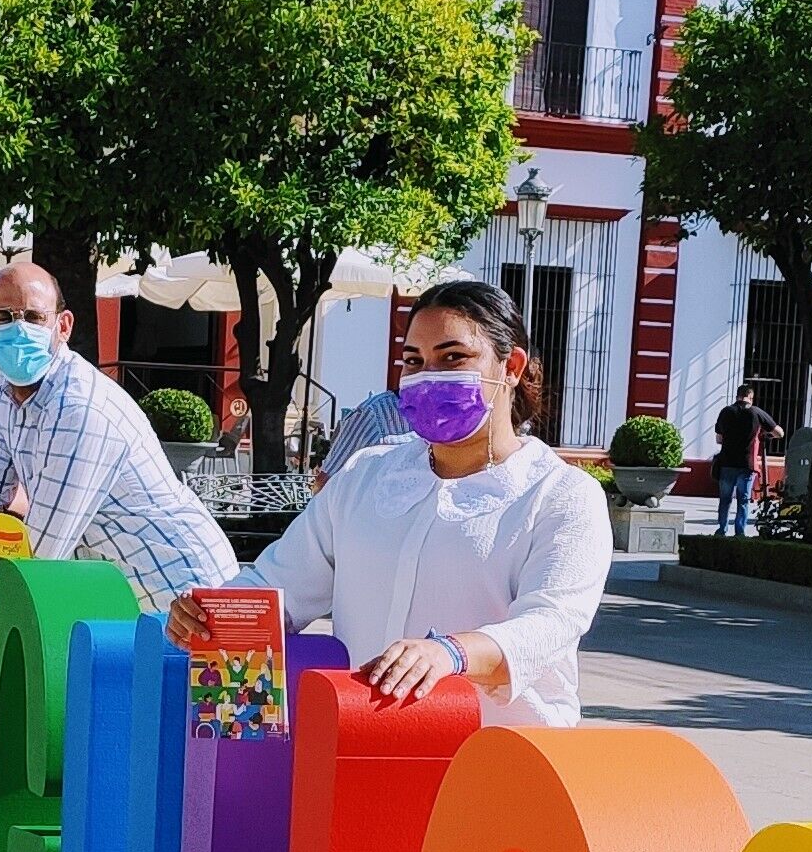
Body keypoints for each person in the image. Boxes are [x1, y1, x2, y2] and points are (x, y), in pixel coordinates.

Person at [170, 275, 611, 723]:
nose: (427, 377)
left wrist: (451, 654)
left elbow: (550, 624)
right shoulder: (365, 476)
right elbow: (282, 585)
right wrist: (211, 613)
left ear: (511, 367)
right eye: (413, 361)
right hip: (370, 747)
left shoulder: (562, 497)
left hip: (498, 759)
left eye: (453, 357)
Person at [0, 255, 237, 604]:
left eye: (33, 317)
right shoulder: (3, 393)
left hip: (188, 589)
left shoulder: (80, 408)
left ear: (63, 326)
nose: (18, 329)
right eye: (4, 317)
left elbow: (42, 555)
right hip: (131, 595)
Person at [714, 386, 782, 537]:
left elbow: (719, 439)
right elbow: (779, 433)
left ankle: (721, 530)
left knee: (725, 499)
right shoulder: (756, 412)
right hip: (747, 464)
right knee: (743, 500)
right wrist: (764, 434)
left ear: (737, 396)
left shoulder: (726, 412)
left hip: (727, 463)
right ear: (750, 397)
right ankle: (740, 532)